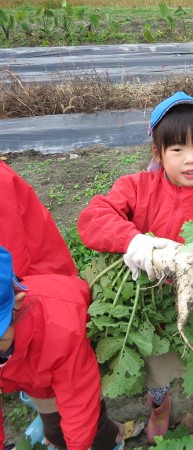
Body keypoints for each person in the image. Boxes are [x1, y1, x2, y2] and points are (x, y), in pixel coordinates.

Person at [77, 91, 193, 443]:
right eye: (177, 150)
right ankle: (160, 409)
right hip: (149, 314)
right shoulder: (137, 188)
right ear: (158, 153)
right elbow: (92, 218)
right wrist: (138, 244)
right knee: (158, 374)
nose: (190, 159)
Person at [0, 163, 122, 450]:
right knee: (49, 409)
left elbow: (13, 258)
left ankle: (109, 440)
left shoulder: (59, 328)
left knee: (83, 416)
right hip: (20, 316)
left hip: (39, 289)